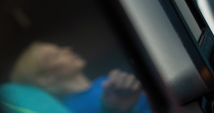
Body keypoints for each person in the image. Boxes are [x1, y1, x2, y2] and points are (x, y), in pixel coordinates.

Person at [8, 41, 152, 113]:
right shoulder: (71, 109)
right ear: (46, 78)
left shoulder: (102, 81)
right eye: (55, 55)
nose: (67, 50)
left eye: (60, 48)